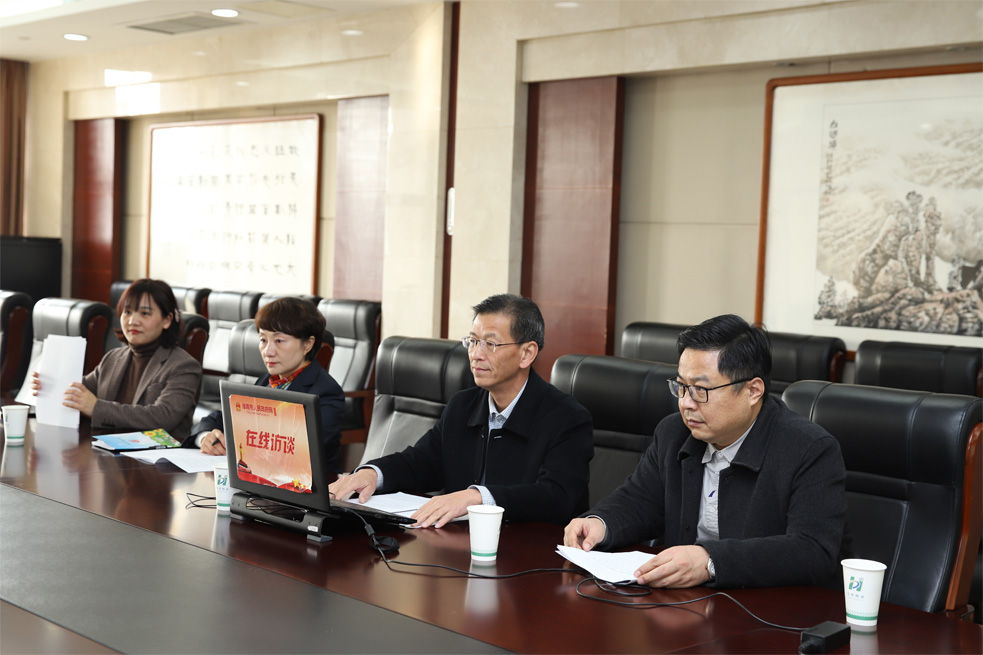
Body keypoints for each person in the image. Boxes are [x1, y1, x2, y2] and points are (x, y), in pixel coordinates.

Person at [563, 314, 850, 589]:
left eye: (701, 390)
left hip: (769, 609)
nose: (686, 403)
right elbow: (639, 501)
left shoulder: (809, 449)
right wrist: (600, 523)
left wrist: (710, 561)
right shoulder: (674, 433)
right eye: (681, 386)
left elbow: (812, 550)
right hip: (684, 603)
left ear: (752, 391)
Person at [328, 293, 593, 527]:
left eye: (490, 344)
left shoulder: (566, 417)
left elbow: (556, 498)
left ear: (527, 354)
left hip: (531, 552)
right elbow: (421, 462)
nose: (476, 354)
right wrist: (373, 474)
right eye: (473, 341)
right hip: (460, 546)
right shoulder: (463, 405)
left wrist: (477, 498)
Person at [187, 296, 345, 474]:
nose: (268, 351)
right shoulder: (267, 381)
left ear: (308, 344)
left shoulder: (326, 392)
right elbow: (219, 418)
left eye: (279, 341)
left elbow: (298, 450)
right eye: (263, 340)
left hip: (307, 485)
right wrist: (206, 437)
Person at [31, 279, 202, 440]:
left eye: (145, 313)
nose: (133, 321)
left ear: (167, 320)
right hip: (108, 453)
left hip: (157, 458)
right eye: (127, 312)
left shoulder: (183, 365)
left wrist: (96, 408)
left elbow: (162, 417)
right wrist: (52, 385)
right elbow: (81, 390)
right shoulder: (113, 358)